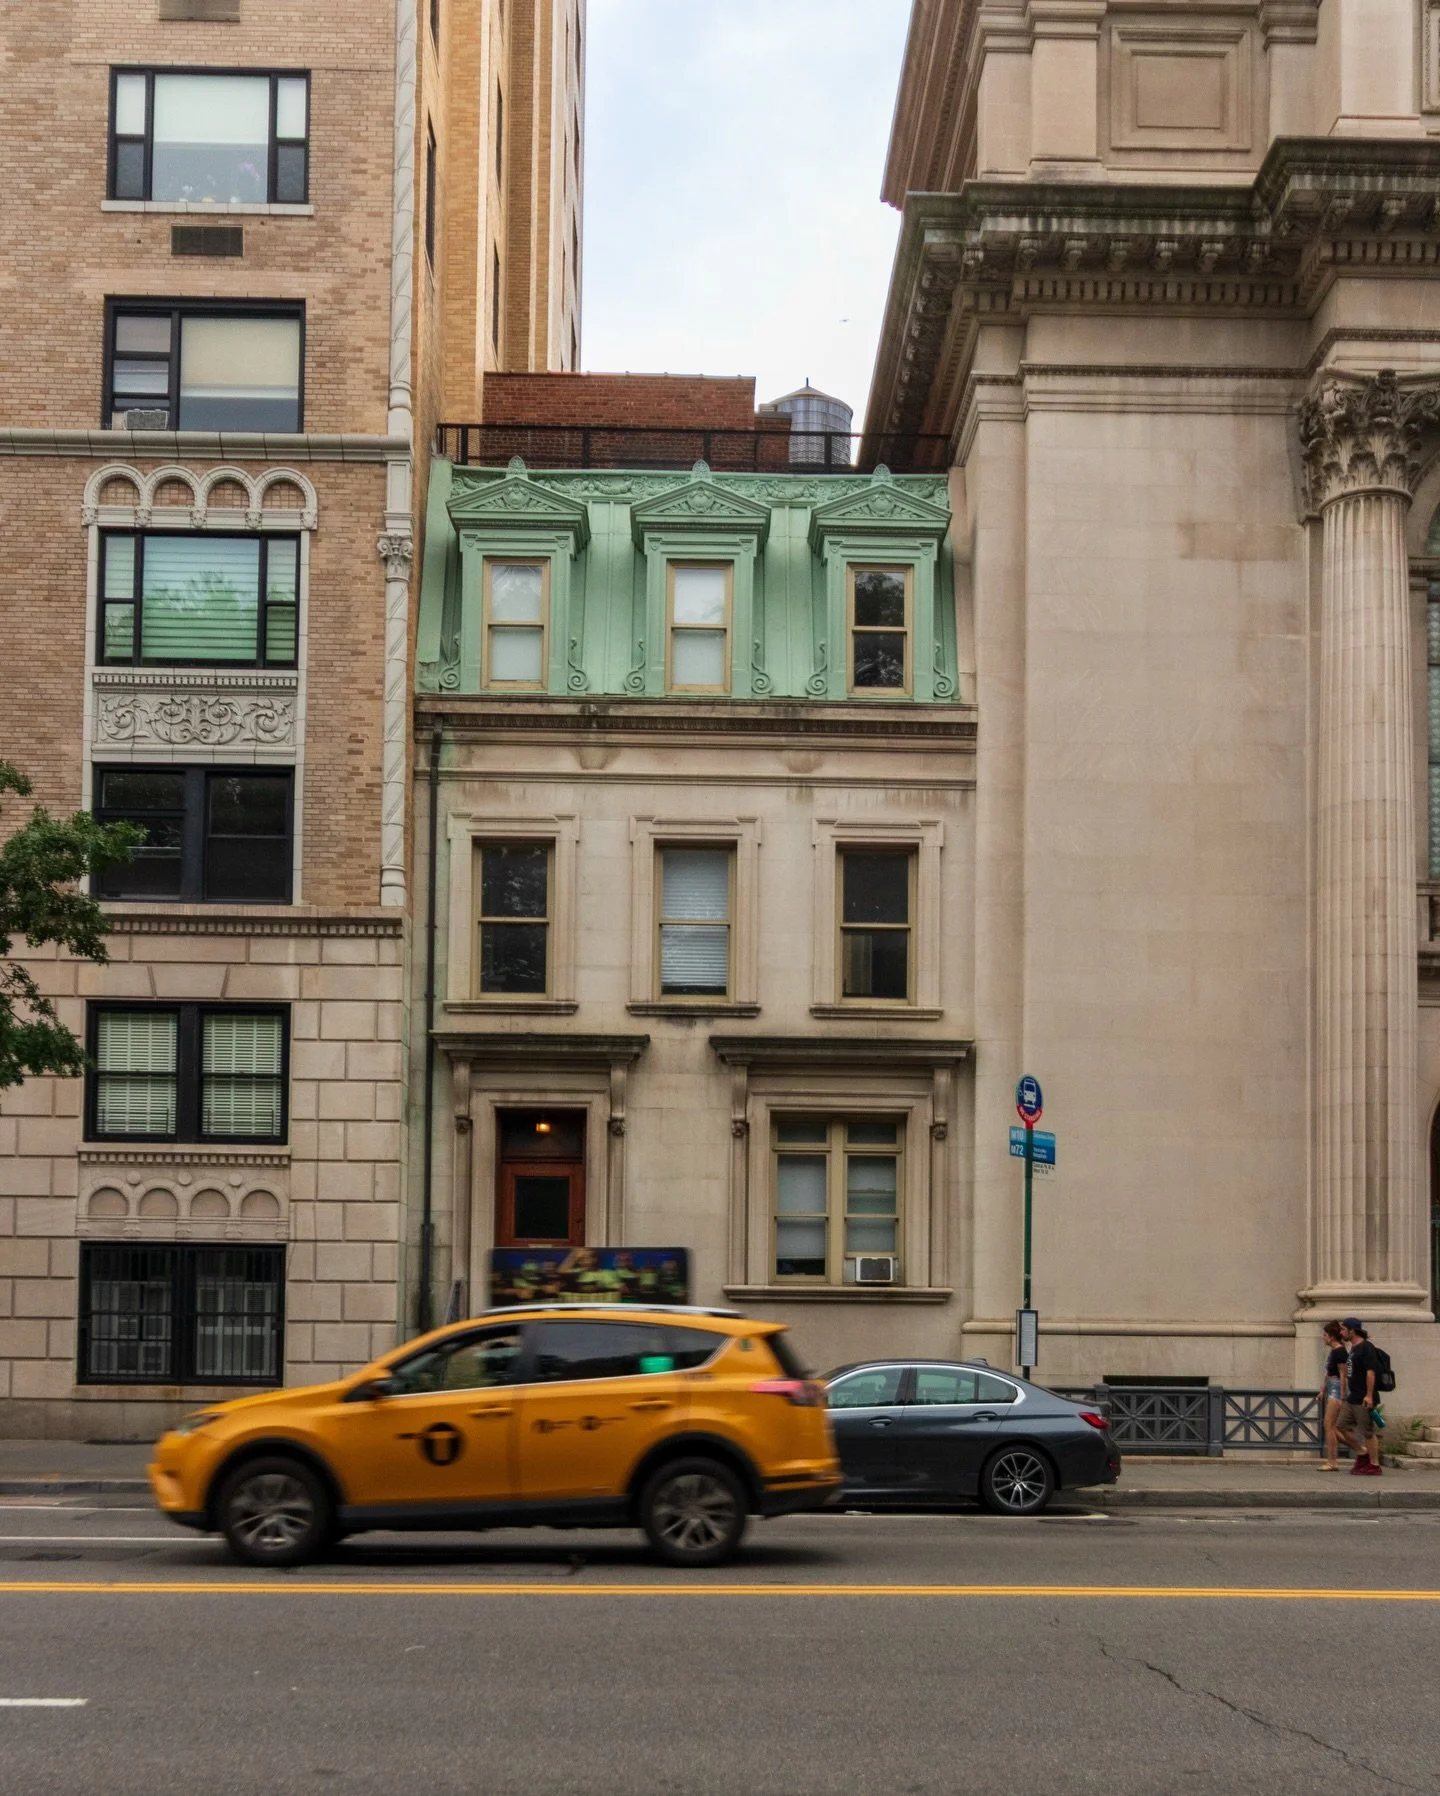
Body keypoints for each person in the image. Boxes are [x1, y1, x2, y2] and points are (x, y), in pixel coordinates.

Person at [1335, 1317, 1382, 1476]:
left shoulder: (1366, 1348)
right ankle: (1362, 1452)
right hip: (1352, 1396)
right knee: (1340, 1426)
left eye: (1343, 1329)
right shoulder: (1353, 1348)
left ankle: (1374, 1465)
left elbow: (1370, 1372)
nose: (1341, 1332)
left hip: (1363, 1397)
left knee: (1367, 1431)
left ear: (1351, 1330)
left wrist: (1369, 1395)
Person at [1317, 1320, 1347, 1471]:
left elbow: (1343, 1374)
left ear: (1332, 1337)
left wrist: (1342, 1396)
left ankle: (1332, 1461)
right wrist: (1322, 1390)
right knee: (1331, 1427)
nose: (1323, 1337)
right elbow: (1328, 1373)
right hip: (1331, 1387)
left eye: (1325, 1335)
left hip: (1336, 1389)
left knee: (1329, 1425)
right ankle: (1361, 1449)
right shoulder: (1334, 1351)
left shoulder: (1340, 1351)